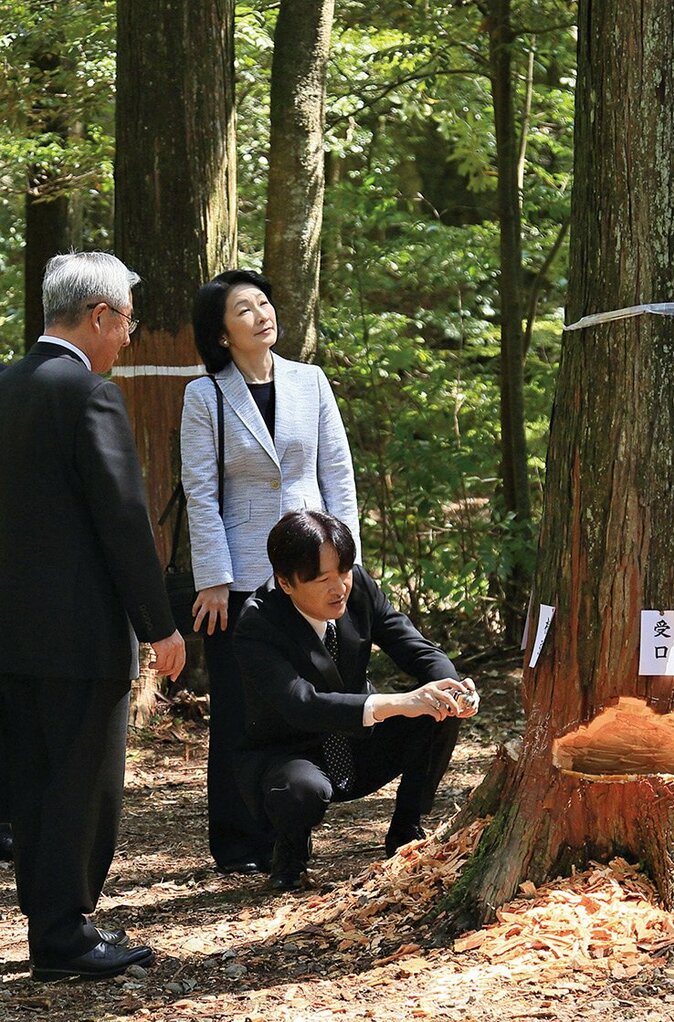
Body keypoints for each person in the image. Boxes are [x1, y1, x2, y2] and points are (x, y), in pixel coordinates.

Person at [0, 252, 186, 981]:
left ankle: (49, 932)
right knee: (82, 787)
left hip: (9, 637)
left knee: (32, 788)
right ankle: (66, 936)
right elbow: (123, 521)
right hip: (78, 638)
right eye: (127, 324)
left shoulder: (5, 387)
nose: (128, 340)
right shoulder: (88, 395)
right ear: (101, 316)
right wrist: (159, 624)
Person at [180, 269, 361, 876]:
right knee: (238, 707)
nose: (261, 314)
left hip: (315, 568)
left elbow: (338, 471)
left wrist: (349, 560)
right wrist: (212, 578)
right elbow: (200, 492)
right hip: (242, 570)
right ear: (222, 332)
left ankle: (297, 817)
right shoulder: (204, 396)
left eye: (264, 302)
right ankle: (238, 843)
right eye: (243, 310)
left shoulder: (310, 381)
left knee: (308, 692)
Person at [233, 510, 479, 891]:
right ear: (285, 582)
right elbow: (303, 703)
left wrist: (450, 687)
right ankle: (291, 850)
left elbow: (413, 645)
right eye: (322, 579)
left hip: (360, 745)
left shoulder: (358, 585)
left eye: (344, 572)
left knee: (438, 708)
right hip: (291, 755)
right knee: (300, 791)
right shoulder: (257, 622)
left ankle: (407, 829)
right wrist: (397, 702)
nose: (339, 588)